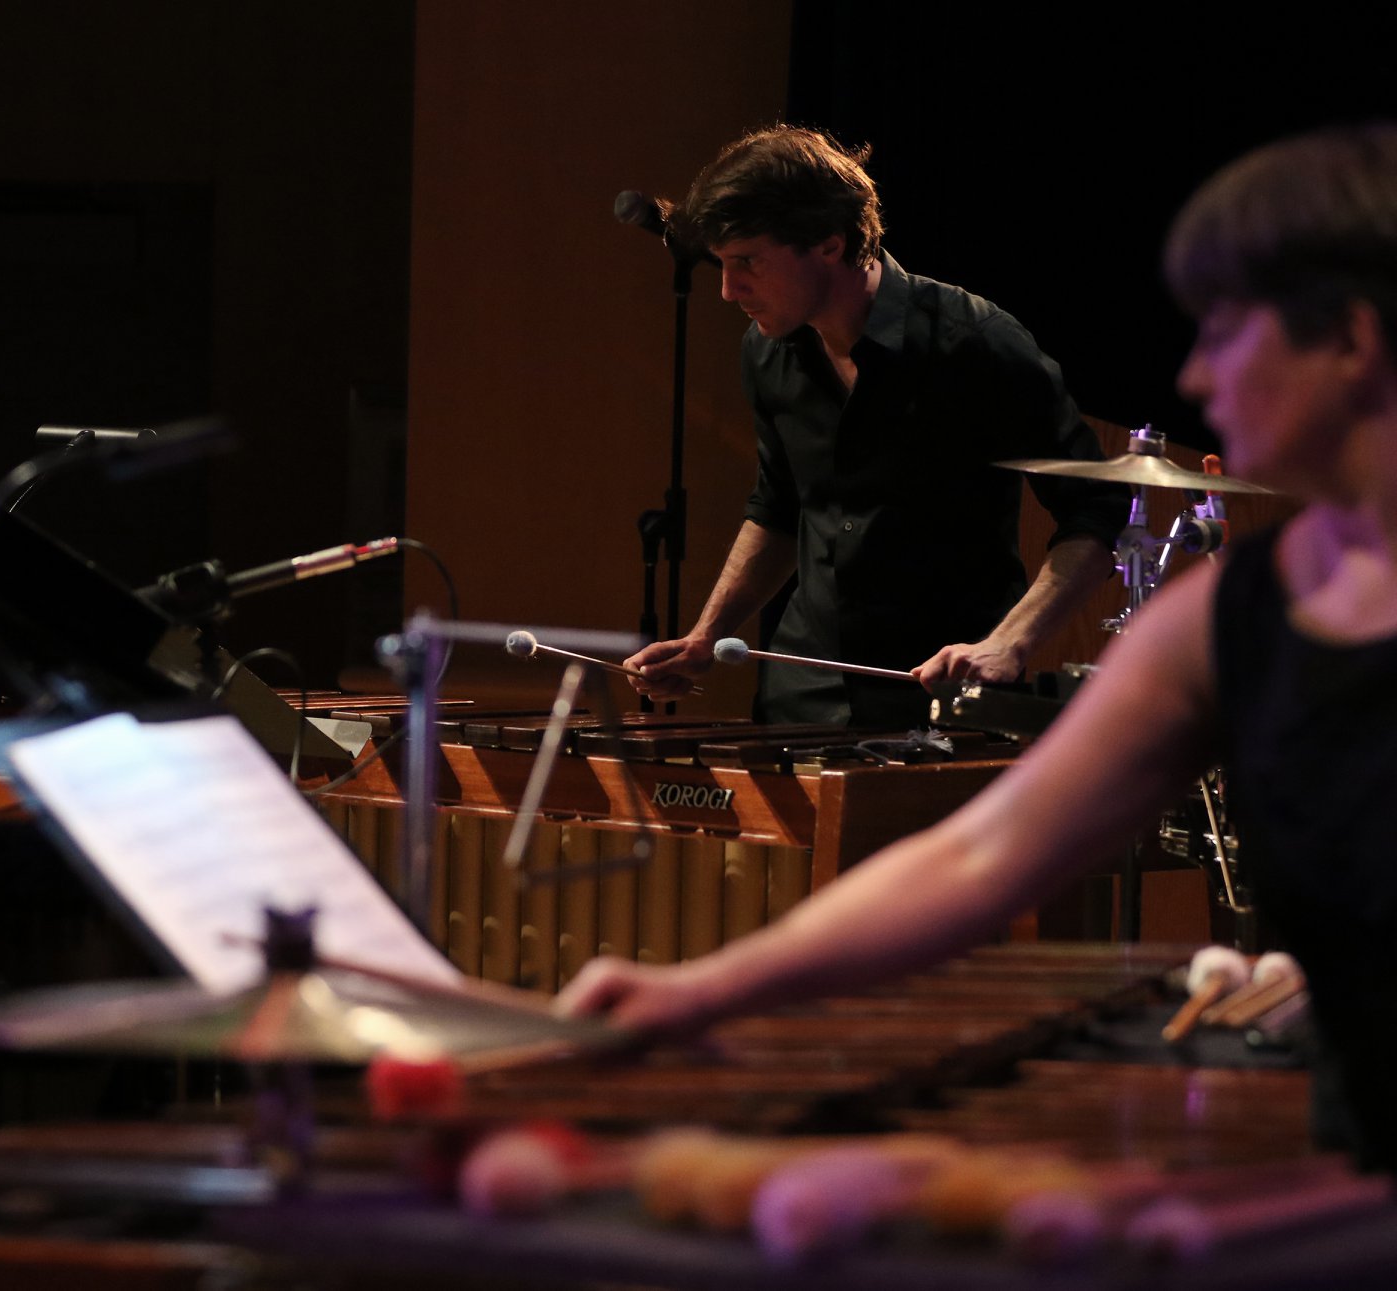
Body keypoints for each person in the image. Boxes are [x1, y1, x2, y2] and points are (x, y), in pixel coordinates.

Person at [565, 123, 1397, 1169]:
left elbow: (1081, 523)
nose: (1192, 374)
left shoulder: (976, 343)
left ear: (1353, 341)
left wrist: (1007, 644)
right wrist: (700, 988)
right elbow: (977, 853)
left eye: (1228, 328)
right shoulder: (1221, 626)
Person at [625, 125, 1124, 727]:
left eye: (747, 262)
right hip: (800, 693)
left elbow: (1094, 509)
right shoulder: (767, 353)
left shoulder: (975, 344)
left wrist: (1008, 643)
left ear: (829, 245)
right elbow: (780, 507)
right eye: (723, 267)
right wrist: (707, 636)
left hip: (945, 695)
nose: (729, 291)